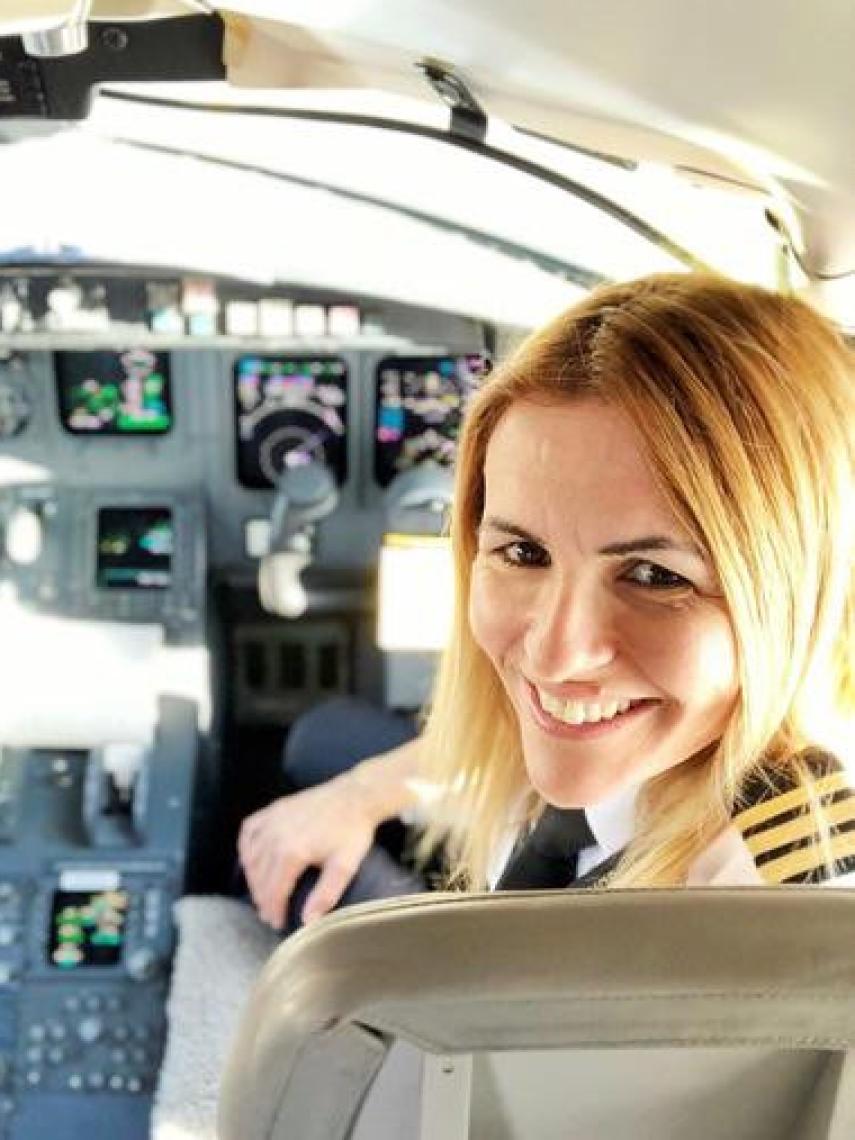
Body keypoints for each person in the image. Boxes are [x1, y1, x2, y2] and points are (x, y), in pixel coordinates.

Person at [239, 272, 855, 928]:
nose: (554, 655)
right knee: (319, 737)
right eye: (523, 553)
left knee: (278, 862)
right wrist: (360, 793)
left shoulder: (780, 908)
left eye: (653, 575)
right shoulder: (655, 727)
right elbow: (492, 750)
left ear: (800, 593)